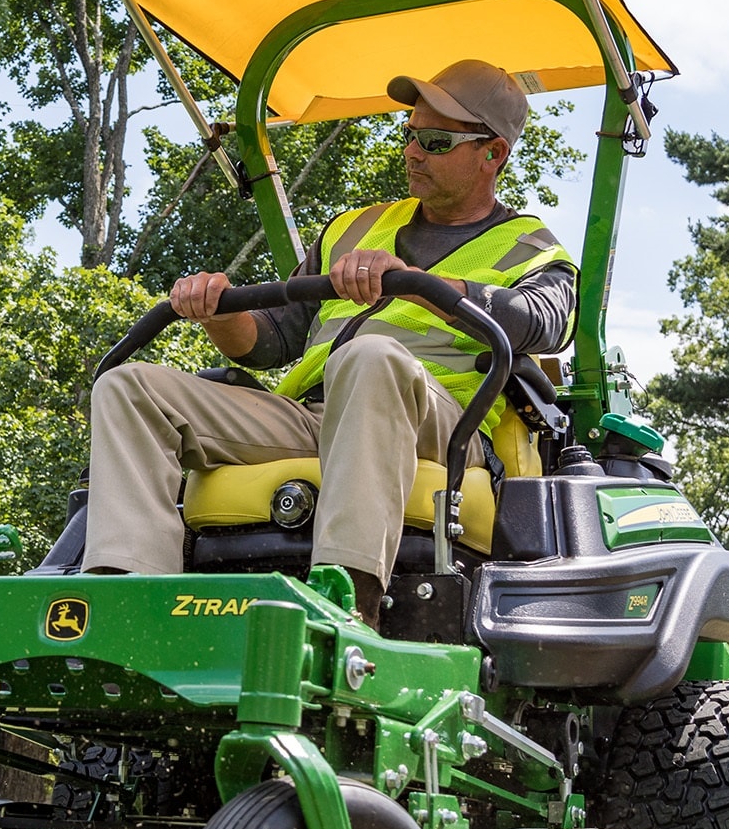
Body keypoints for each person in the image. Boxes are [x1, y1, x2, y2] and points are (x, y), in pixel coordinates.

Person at [83, 58, 578, 625]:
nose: (414, 152)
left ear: (494, 154)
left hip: (435, 426)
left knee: (369, 358)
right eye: (410, 134)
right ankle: (123, 609)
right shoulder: (353, 229)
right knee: (129, 386)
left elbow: (543, 321)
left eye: (437, 141)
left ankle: (347, 607)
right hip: (315, 415)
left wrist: (420, 288)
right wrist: (217, 312)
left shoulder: (533, 249)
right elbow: (272, 342)